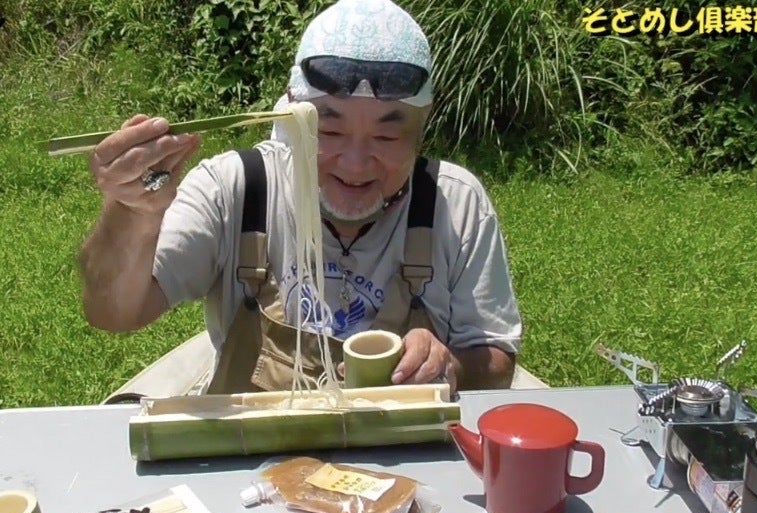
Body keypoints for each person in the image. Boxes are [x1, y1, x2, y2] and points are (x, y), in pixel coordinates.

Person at [79, 0, 521, 395]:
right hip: (254, 448)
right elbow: (112, 313)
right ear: (291, 113)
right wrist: (132, 211)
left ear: (423, 125)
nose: (355, 163)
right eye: (328, 131)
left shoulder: (454, 204)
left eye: (386, 136)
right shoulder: (237, 187)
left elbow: (497, 359)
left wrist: (450, 364)